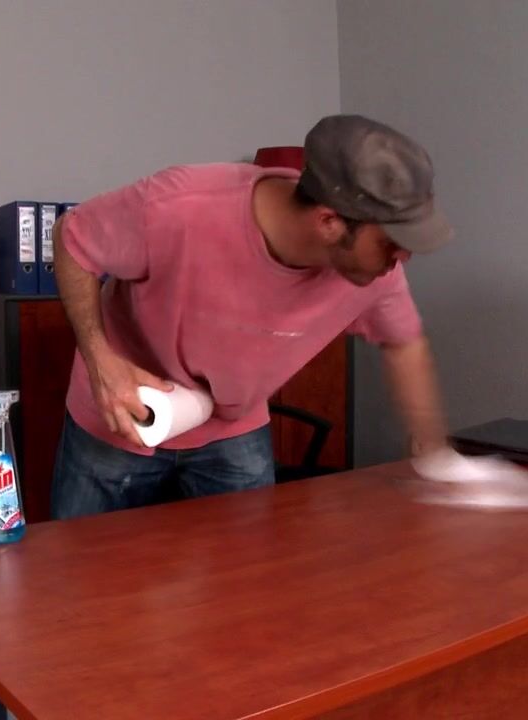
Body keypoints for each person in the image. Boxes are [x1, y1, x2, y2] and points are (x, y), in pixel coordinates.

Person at [49, 114, 456, 520]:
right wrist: (100, 361)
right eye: (391, 242)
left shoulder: (377, 272)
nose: (403, 257)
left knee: (249, 560)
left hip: (233, 427)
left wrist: (434, 453)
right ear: (329, 222)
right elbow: (72, 237)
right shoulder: (180, 207)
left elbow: (404, 344)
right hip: (124, 414)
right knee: (84, 556)